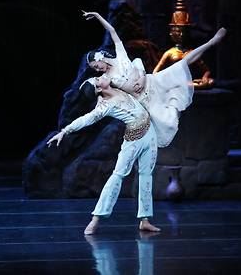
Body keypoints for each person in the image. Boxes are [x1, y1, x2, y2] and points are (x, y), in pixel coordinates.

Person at [83, 10, 226, 147]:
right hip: (145, 100)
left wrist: (97, 16)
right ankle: (173, 102)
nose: (97, 69)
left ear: (100, 58)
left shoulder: (119, 55)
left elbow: (112, 31)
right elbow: (100, 93)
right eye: (94, 69)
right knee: (168, 124)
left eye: (96, 65)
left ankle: (211, 42)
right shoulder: (105, 78)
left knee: (182, 64)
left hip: (152, 82)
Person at [46, 76, 161, 235]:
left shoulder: (118, 86)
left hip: (150, 133)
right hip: (134, 140)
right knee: (118, 175)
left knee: (146, 175)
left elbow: (131, 67)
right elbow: (87, 118)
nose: (100, 77)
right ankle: (96, 218)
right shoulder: (106, 106)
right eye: (97, 79)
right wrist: (65, 131)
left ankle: (145, 220)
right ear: (99, 89)